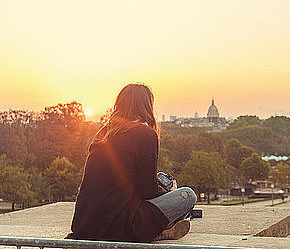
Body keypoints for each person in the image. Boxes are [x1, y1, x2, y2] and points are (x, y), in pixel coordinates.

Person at [67, 84, 197, 242]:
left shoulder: (104, 132)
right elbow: (147, 191)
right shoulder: (145, 134)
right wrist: (169, 193)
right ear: (147, 105)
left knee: (162, 180)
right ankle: (158, 229)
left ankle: (164, 223)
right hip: (119, 226)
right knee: (187, 196)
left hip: (85, 224)